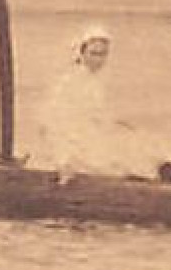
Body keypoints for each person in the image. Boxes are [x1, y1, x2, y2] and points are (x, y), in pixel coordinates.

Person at [35, 24, 163, 179]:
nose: (98, 60)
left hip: (93, 139)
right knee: (124, 157)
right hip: (77, 145)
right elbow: (52, 122)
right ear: (81, 53)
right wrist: (63, 159)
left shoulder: (93, 81)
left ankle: (165, 171)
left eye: (103, 54)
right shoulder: (69, 82)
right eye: (93, 54)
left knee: (140, 141)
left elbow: (99, 116)